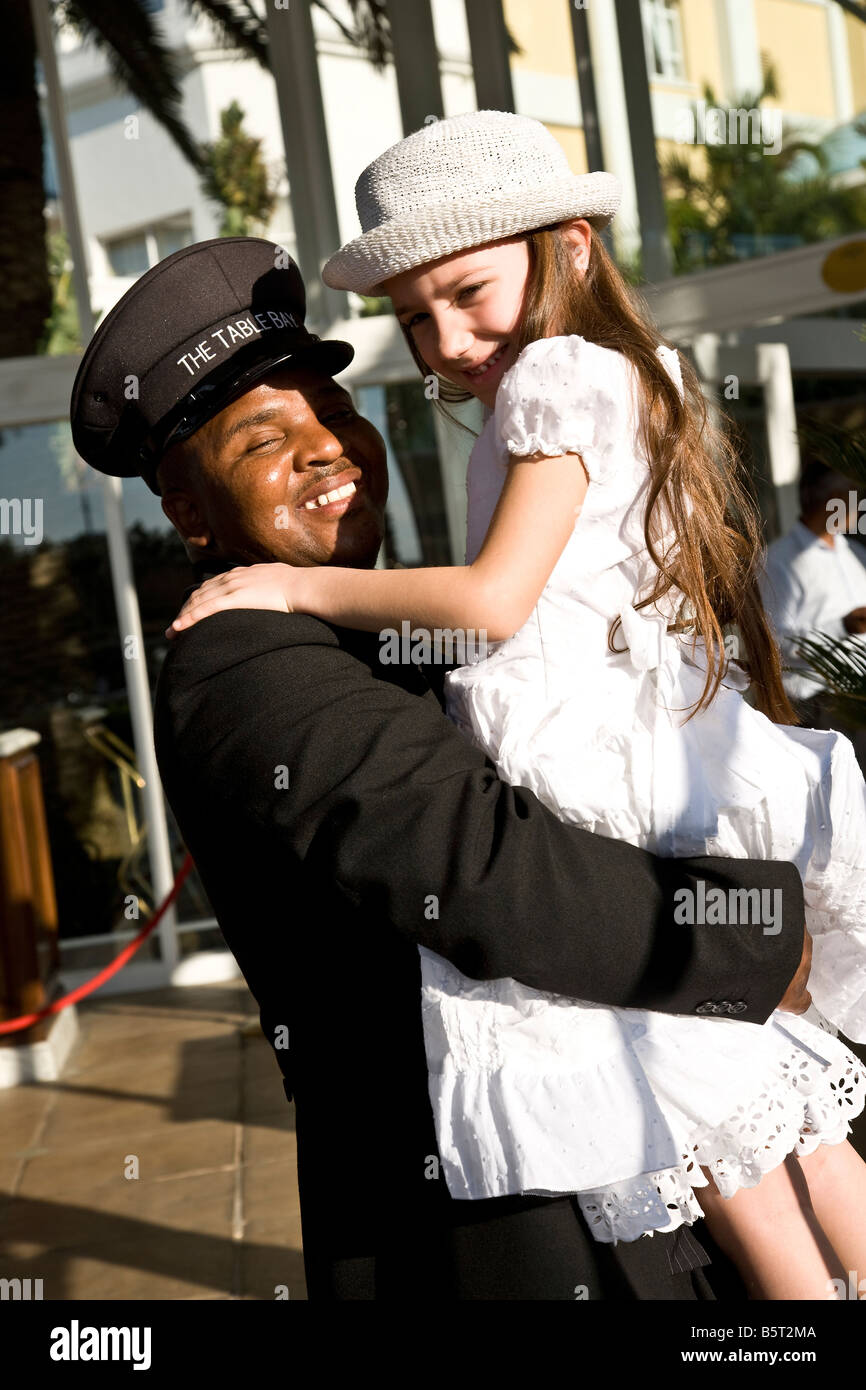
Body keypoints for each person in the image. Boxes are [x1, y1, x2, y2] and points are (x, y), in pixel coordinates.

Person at [170, 113, 866, 1300]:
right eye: (260, 439)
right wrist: (766, 936)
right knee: (763, 1135)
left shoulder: (548, 388)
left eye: (330, 415)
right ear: (191, 519)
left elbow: (492, 609)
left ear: (573, 250)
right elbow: (492, 870)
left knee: (758, 1140)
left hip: (618, 787)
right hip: (485, 1230)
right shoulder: (247, 662)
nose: (445, 342)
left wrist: (295, 580)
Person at [760, 459, 866, 728]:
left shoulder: (853, 552)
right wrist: (842, 626)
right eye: (852, 493)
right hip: (815, 705)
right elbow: (774, 644)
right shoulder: (779, 561)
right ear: (831, 498)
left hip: (857, 696)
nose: (859, 502)